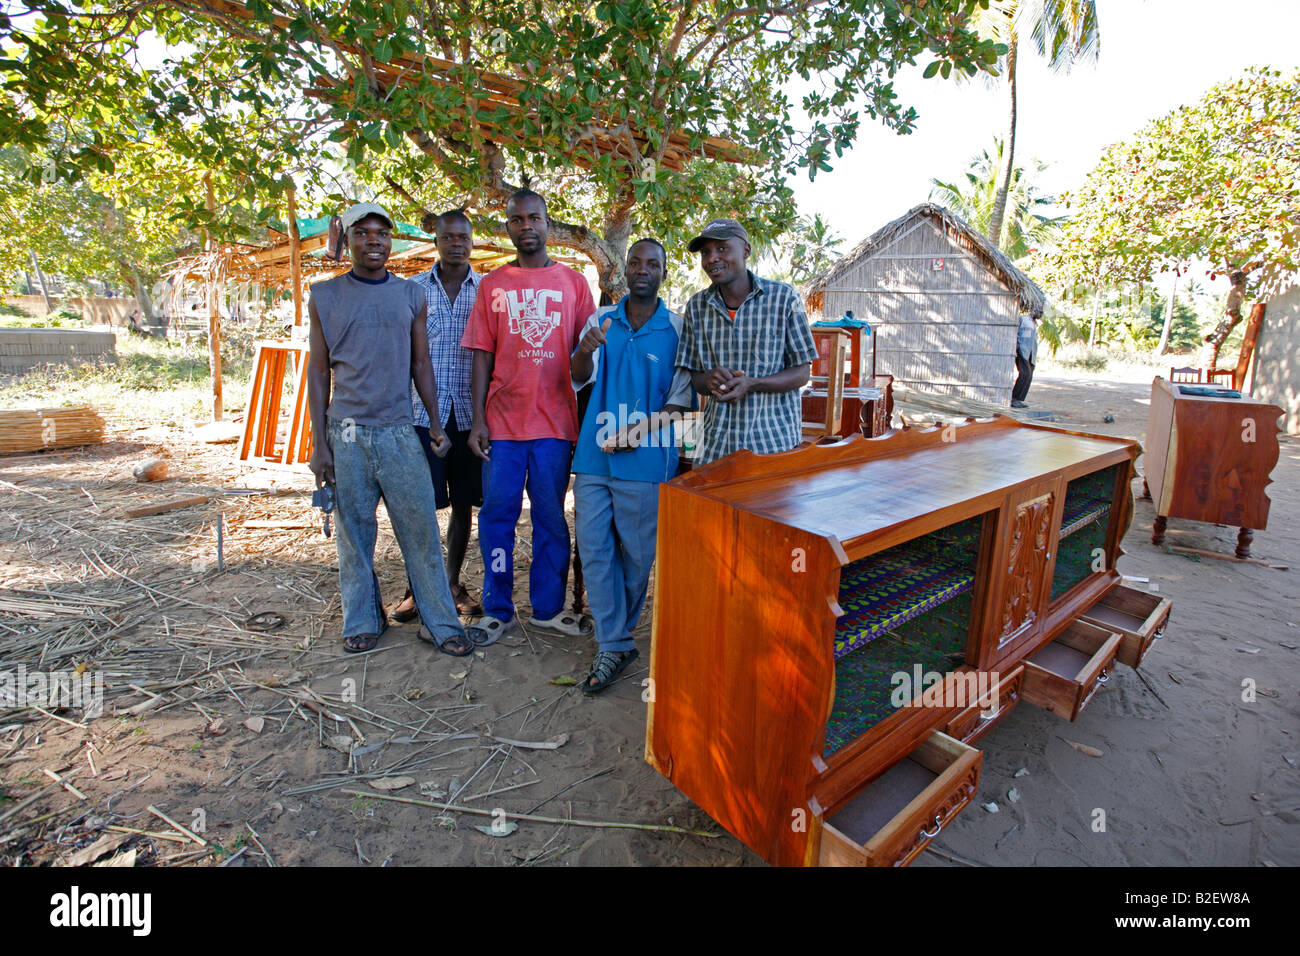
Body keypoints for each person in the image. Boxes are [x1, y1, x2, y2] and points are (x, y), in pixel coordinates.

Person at [306, 201, 473, 657]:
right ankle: (363, 618)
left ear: (391, 241)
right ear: (348, 240)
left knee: (420, 531)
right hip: (347, 433)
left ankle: (439, 621)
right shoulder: (325, 296)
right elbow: (318, 371)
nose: (373, 241)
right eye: (363, 233)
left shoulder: (409, 295)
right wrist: (318, 444)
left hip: (400, 430)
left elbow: (421, 364)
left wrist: (435, 423)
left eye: (381, 233)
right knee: (354, 534)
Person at [461, 189, 596, 645]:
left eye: (534, 218)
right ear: (508, 227)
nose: (526, 226)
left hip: (555, 426)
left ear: (547, 223)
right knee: (497, 518)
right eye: (517, 220)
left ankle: (548, 608)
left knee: (550, 519)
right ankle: (497, 607)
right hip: (502, 426)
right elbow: (482, 354)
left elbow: (587, 359)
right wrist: (478, 421)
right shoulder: (493, 284)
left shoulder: (574, 284)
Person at [570, 238, 694, 693]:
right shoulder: (601, 320)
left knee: (638, 558)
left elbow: (681, 402)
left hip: (647, 459)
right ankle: (614, 642)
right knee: (595, 550)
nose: (643, 269)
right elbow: (577, 376)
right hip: (594, 455)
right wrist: (585, 349)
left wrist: (639, 431)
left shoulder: (678, 328)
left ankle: (616, 638)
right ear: (625, 269)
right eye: (636, 262)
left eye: (652, 264)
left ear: (663, 272)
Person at [391, 209, 485, 623]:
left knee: (463, 504)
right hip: (419, 414)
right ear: (436, 241)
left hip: (469, 416)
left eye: (463, 238)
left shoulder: (487, 291)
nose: (456, 244)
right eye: (448, 237)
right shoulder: (412, 290)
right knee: (419, 506)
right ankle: (417, 587)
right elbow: (401, 354)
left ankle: (450, 583)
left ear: (472, 241)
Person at [675, 218, 818, 466]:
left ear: (746, 250)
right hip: (715, 445)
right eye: (706, 252)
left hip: (773, 444)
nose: (712, 258)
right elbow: (696, 380)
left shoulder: (784, 298)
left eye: (722, 248)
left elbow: (802, 373)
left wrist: (752, 383)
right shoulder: (697, 306)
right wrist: (709, 379)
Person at [1012, 306, 1041, 408]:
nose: (1040, 314)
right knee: (1025, 373)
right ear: (1033, 310)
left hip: (1031, 353)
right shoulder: (1022, 319)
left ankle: (1019, 399)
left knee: (1029, 375)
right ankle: (1014, 398)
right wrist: (1016, 346)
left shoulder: (1034, 324)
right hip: (1022, 350)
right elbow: (1014, 332)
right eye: (1039, 311)